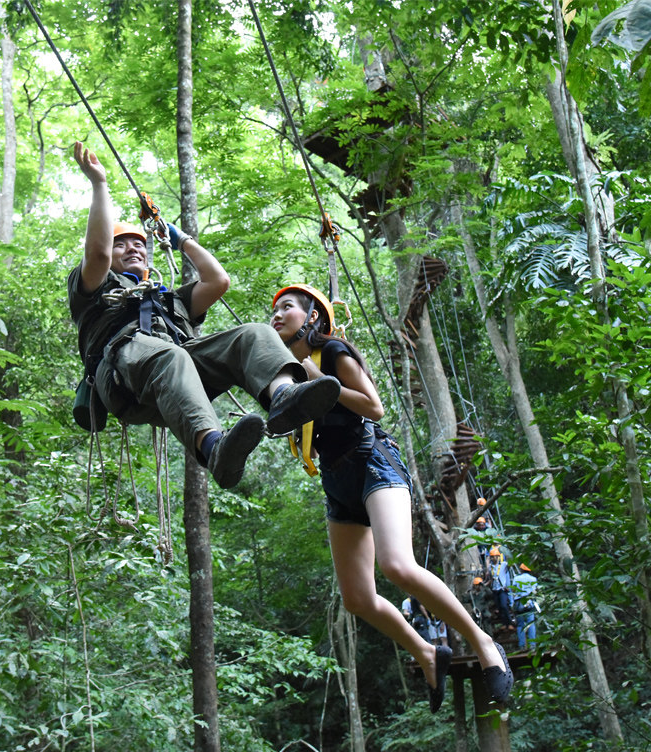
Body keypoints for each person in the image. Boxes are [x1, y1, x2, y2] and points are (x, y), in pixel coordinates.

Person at [270, 284, 513, 710]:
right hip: (336, 480)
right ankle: (425, 650)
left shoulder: (333, 353)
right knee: (357, 599)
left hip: (372, 461)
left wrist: (320, 381)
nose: (277, 314)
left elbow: (374, 407)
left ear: (312, 318)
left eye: (286, 307)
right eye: (273, 309)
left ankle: (484, 642)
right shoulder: (284, 370)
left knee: (397, 564)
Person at [68, 143, 341, 489]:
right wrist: (99, 184)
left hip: (178, 376)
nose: (133, 248)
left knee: (253, 334)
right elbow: (97, 253)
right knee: (172, 355)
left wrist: (180, 239)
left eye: (139, 244)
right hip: (126, 378)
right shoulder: (94, 289)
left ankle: (283, 398)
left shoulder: (167, 299)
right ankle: (214, 449)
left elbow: (218, 281)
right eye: (123, 244)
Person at [512, 563, 539, 650]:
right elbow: (535, 591)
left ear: (521, 570)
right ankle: (532, 645)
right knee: (531, 623)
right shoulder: (533, 579)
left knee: (520, 624)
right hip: (529, 602)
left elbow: (513, 590)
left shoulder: (516, 578)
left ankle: (522, 645)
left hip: (519, 603)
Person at [487, 547, 514, 631]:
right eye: (492, 556)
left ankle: (509, 623)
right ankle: (504, 624)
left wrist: (506, 551)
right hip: (495, 589)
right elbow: (491, 579)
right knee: (499, 608)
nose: (493, 558)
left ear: (498, 557)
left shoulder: (504, 565)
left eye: (495, 556)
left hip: (502, 589)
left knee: (504, 606)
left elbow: (511, 563)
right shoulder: (490, 567)